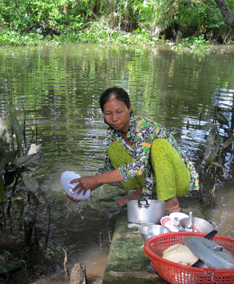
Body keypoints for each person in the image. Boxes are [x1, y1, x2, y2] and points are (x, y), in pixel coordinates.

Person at [70, 87, 199, 213]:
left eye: (119, 112)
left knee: (159, 146)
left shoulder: (143, 127)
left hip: (179, 182)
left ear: (129, 108)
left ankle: (172, 204)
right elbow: (108, 168)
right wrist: (85, 187)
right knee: (114, 148)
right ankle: (139, 192)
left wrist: (97, 179)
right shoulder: (114, 134)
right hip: (154, 183)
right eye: (108, 113)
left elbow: (138, 167)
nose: (114, 119)